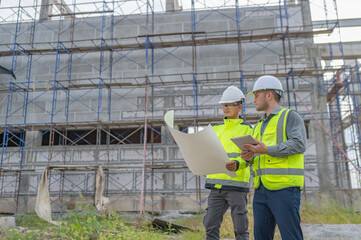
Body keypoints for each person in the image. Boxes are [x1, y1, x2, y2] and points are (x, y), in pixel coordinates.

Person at [241, 75, 306, 240]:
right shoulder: (257, 126)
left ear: (269, 95)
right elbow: (259, 156)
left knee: (290, 236)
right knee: (261, 237)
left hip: (285, 188)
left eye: (256, 95)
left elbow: (299, 144)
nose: (254, 100)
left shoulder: (290, 117)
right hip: (261, 190)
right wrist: (249, 157)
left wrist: (267, 150)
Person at [203, 86, 252, 240]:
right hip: (215, 187)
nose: (225, 108)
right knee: (210, 226)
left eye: (229, 104)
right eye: (224, 105)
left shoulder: (247, 129)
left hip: (236, 185)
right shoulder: (215, 130)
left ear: (239, 106)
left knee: (240, 229)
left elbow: (251, 156)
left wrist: (238, 163)